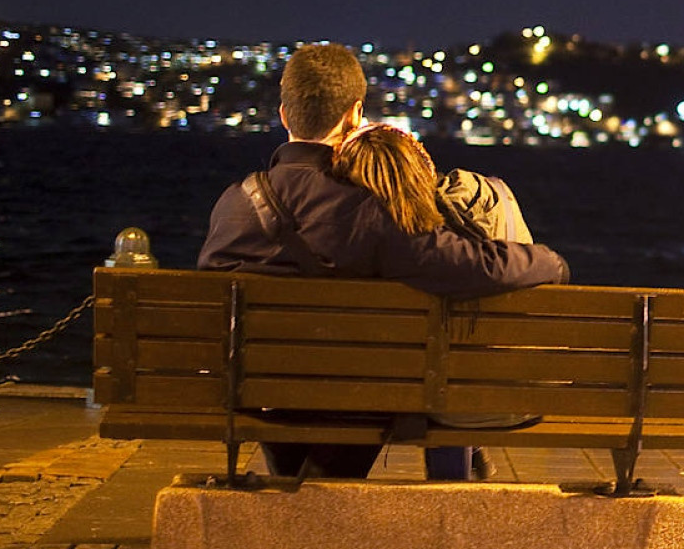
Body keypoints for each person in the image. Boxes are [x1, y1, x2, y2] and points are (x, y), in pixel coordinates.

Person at [198, 43, 569, 479]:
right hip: (348, 398)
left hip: (252, 392)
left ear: (284, 115)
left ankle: (296, 499)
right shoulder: (368, 207)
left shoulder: (233, 202)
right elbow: (472, 265)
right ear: (355, 115)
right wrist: (550, 262)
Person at [331, 122, 543, 477]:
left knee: (430, 378)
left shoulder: (386, 235)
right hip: (516, 397)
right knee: (450, 371)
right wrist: (551, 261)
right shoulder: (497, 199)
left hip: (421, 396)